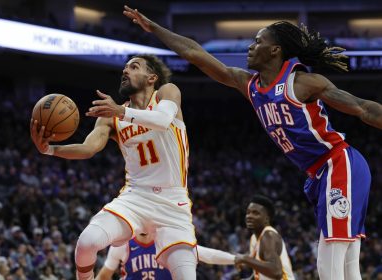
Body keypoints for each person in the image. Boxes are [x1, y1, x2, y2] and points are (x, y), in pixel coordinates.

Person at [123, 6, 382, 279]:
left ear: (275, 51)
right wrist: (155, 28)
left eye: (259, 41)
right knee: (349, 265)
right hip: (319, 173)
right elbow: (195, 54)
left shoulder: (303, 83)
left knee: (329, 266)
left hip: (338, 163)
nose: (250, 46)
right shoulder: (250, 85)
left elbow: (362, 108)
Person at [31, 54, 198, 280]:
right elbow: (88, 148)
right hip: (136, 197)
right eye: (125, 68)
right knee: (87, 243)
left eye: (134, 67)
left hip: (172, 202)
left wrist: (120, 111)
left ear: (152, 77)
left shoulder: (166, 93)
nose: (125, 71)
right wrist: (50, 149)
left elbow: (162, 120)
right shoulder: (111, 118)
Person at [96, 232, 236, 280]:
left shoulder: (169, 242)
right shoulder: (122, 244)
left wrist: (235, 259)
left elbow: (205, 254)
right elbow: (104, 275)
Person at [234, 195, 294, 279]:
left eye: (255, 213)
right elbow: (259, 271)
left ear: (267, 219)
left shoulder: (269, 236)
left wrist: (245, 259)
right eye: (248, 212)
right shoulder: (254, 238)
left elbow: (276, 272)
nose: (249, 216)